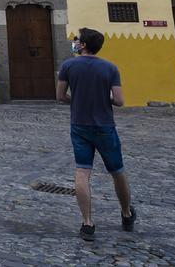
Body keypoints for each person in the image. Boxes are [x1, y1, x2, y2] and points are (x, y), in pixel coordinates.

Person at [57, 27, 136, 241]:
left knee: (83, 172)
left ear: (83, 45)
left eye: (77, 39)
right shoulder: (110, 68)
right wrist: (103, 98)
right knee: (117, 170)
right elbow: (119, 101)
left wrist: (80, 99)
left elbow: (61, 96)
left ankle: (87, 223)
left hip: (79, 126)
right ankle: (127, 214)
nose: (74, 41)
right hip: (105, 126)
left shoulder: (68, 66)